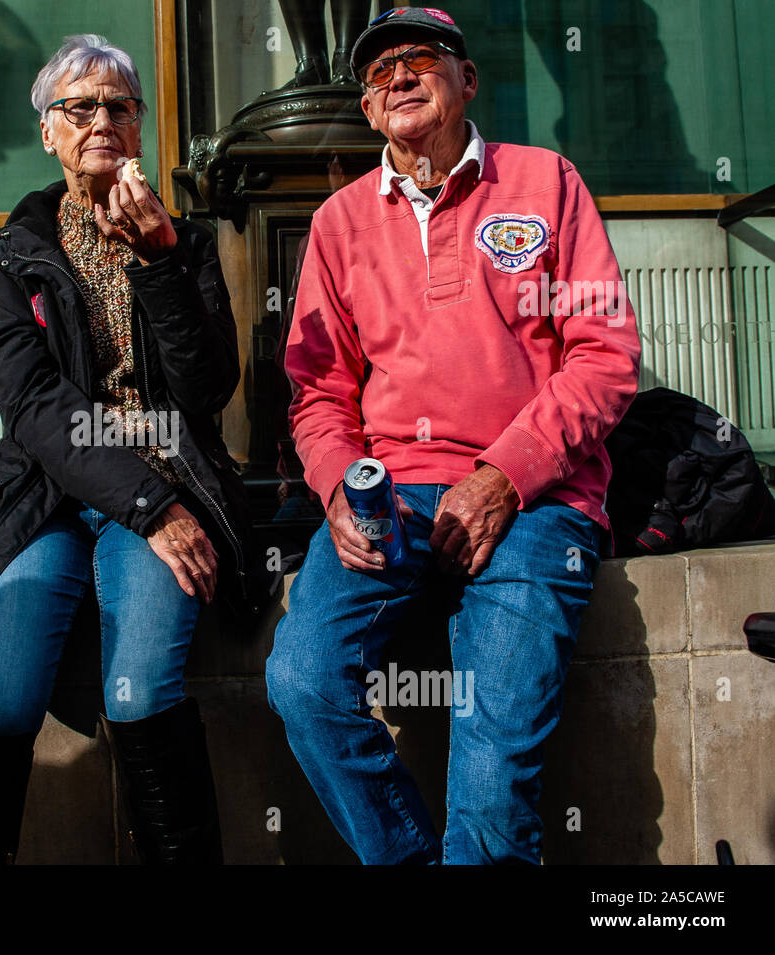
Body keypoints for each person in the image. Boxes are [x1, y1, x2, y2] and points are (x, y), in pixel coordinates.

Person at [265, 7, 642, 864]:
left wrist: (505, 474)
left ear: (468, 80)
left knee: (493, 781)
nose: (397, 76)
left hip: (538, 498)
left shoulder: (547, 182)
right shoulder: (338, 224)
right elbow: (318, 393)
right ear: (366, 110)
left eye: (419, 58)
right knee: (302, 680)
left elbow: (606, 355)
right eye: (378, 70)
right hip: (389, 499)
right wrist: (338, 488)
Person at [0, 34, 252, 865]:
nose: (101, 118)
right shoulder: (15, 257)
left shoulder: (191, 242)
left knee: (139, 692)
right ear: (49, 131)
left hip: (168, 477)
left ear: (140, 127)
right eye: (80, 106)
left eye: (119, 105)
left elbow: (205, 390)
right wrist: (146, 506)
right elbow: (34, 405)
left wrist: (160, 264)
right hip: (47, 500)